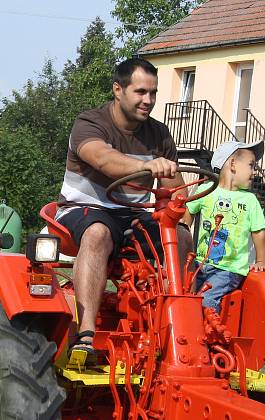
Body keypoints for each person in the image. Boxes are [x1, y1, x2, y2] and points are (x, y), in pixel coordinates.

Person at [56, 57, 191, 356]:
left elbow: (174, 188)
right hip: (84, 208)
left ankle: (172, 326)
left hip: (132, 216)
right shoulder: (90, 123)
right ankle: (86, 334)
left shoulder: (160, 134)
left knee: (180, 236)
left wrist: (181, 214)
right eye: (141, 92)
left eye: (153, 93)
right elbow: (104, 160)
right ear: (118, 89)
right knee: (98, 233)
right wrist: (148, 166)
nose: (149, 100)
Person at [184, 140, 265, 313]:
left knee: (206, 300)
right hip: (200, 263)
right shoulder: (206, 189)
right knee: (186, 296)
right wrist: (183, 235)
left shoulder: (250, 200)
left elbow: (259, 232)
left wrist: (261, 261)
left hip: (229, 269)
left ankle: (207, 333)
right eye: (251, 166)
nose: (254, 173)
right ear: (232, 164)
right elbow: (187, 214)